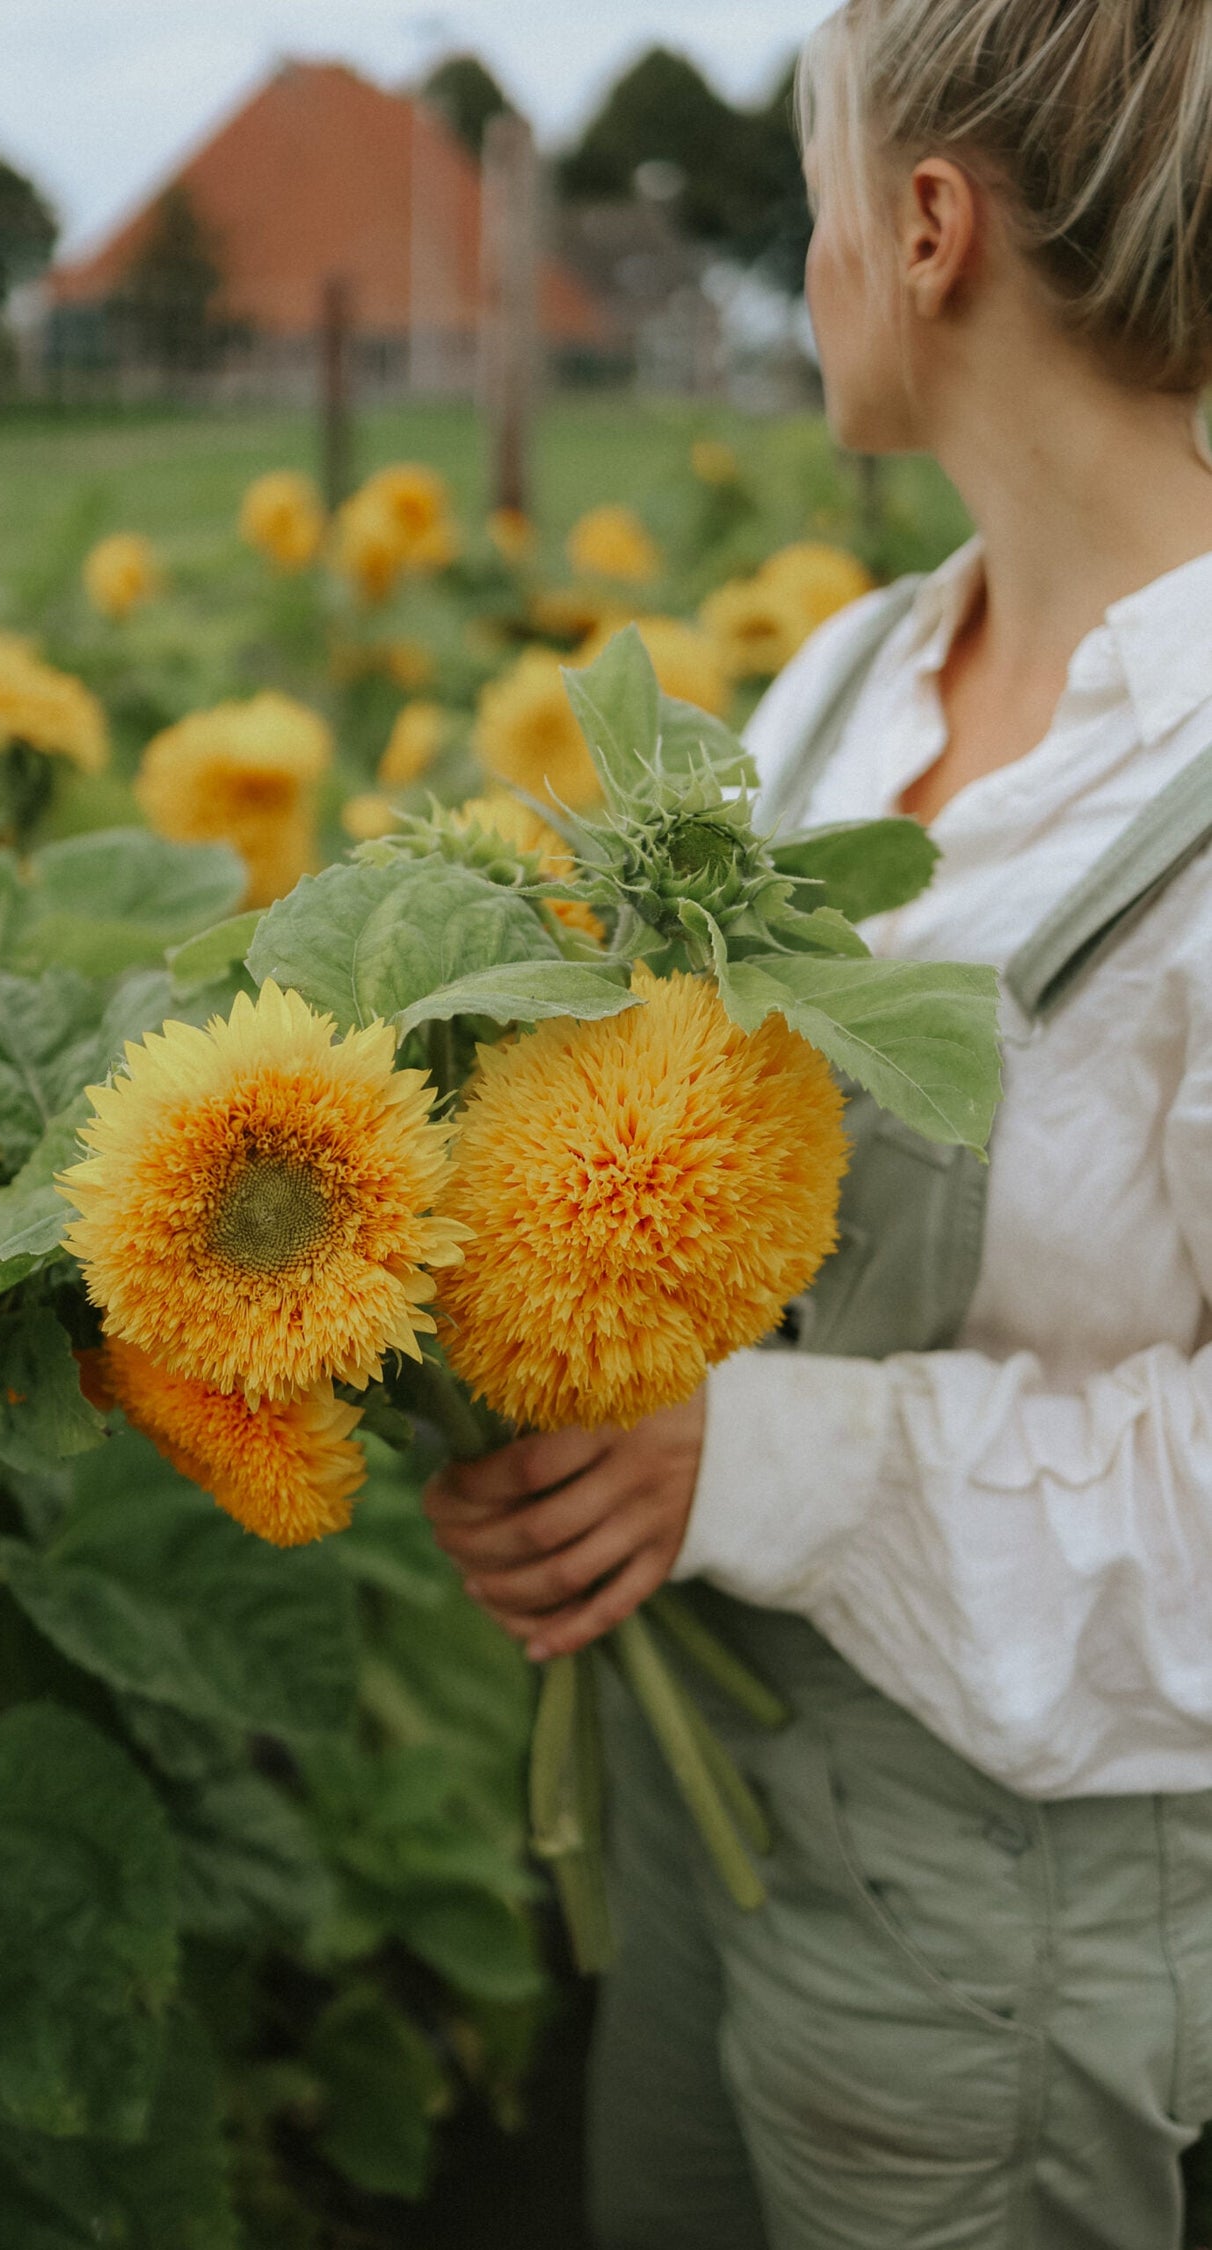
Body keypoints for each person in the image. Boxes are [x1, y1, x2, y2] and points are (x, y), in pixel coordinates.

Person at [423, 4, 1212, 2244]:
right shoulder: (849, 679)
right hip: (718, 1809)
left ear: (932, 227)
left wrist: (738, 1456)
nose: (816, 262)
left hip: (1011, 1909)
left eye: (822, 202)